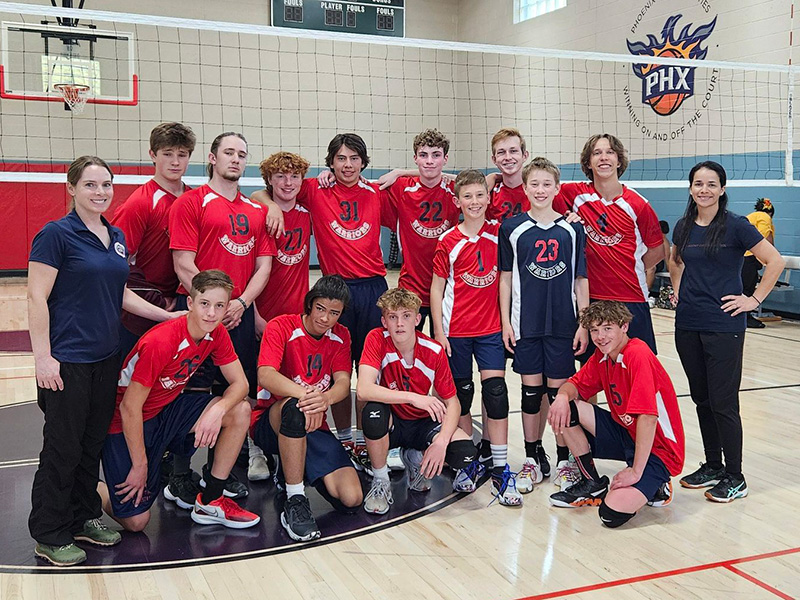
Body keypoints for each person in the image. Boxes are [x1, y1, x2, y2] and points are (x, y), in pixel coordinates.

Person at [28, 156, 178, 566]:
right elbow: (36, 296)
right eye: (91, 185)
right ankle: (49, 532)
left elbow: (120, 292)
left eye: (106, 185)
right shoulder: (56, 235)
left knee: (90, 445)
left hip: (105, 358)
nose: (100, 192)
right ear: (72, 189)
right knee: (62, 448)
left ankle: (82, 516)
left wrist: (166, 316)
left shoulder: (114, 236)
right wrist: (43, 358)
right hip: (67, 361)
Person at [100, 270, 259, 532]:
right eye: (205, 304)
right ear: (190, 303)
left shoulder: (217, 333)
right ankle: (88, 489)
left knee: (239, 410)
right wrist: (140, 465)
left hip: (166, 410)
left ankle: (211, 501)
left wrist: (217, 410)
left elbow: (241, 384)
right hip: (126, 422)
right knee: (136, 522)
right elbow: (129, 408)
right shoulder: (160, 341)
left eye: (219, 306)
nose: (211, 313)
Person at [168, 132, 277, 503]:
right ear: (212, 158)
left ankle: (220, 473)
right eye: (228, 152)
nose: (235, 159)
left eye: (242, 154)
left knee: (232, 395)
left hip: (238, 317)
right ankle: (179, 473)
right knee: (190, 394)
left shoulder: (256, 210)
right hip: (201, 318)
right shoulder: (190, 203)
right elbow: (183, 263)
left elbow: (264, 267)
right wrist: (211, 306)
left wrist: (241, 303)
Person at [669, 161, 785, 502]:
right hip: (688, 322)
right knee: (701, 398)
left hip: (724, 325)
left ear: (722, 189)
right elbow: (676, 261)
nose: (704, 189)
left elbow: (774, 260)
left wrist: (753, 299)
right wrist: (678, 290)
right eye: (698, 183)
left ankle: (736, 476)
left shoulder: (737, 226)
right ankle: (713, 466)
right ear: (691, 188)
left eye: (711, 184)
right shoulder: (684, 226)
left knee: (723, 402)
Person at [548, 301, 685, 528]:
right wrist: (562, 397)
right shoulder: (603, 357)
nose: (601, 336)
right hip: (627, 434)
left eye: (607, 328)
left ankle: (658, 484)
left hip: (660, 449)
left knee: (611, 515)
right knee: (565, 408)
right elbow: (574, 385)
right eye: (594, 330)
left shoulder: (637, 354)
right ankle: (593, 483)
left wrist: (635, 471)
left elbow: (648, 419)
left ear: (624, 327)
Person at [499, 157, 589, 493]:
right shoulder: (511, 228)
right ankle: (532, 458)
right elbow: (505, 279)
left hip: (564, 324)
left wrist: (584, 322)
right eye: (533, 184)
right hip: (526, 324)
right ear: (524, 188)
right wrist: (505, 321)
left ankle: (564, 459)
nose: (540, 190)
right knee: (530, 393)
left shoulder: (572, 229)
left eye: (546, 184)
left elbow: (581, 279)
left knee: (558, 394)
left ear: (557, 188)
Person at [431, 170, 520, 506]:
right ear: (457, 201)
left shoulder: (500, 235)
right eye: (466, 197)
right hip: (455, 331)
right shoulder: (448, 241)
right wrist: (439, 332)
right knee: (463, 396)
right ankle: (469, 463)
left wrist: (506, 323)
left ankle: (500, 467)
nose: (474, 202)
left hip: (490, 331)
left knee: (496, 394)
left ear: (488, 198)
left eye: (479, 195)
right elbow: (437, 287)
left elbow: (504, 283)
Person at [253, 275, 362, 542]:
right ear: (310, 304)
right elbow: (265, 375)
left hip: (314, 423)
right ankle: (295, 498)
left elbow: (343, 381)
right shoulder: (282, 325)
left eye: (334, 313)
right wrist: (308, 396)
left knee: (352, 498)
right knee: (294, 409)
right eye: (321, 309)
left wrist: (324, 400)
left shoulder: (341, 336)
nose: (325, 318)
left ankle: (289, 468)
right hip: (272, 421)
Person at [357, 288, 478, 515]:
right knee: (372, 412)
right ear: (384, 321)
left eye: (406, 316)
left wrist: (441, 442)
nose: (399, 323)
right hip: (392, 422)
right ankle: (381, 481)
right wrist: (414, 398)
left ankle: (415, 457)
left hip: (422, 424)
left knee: (464, 451)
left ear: (417, 319)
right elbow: (363, 389)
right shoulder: (376, 339)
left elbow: (453, 403)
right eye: (393, 317)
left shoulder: (433, 350)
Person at [554, 134, 665, 355]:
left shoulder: (639, 204)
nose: (603, 157)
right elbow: (536, 186)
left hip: (630, 298)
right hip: (591, 299)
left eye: (610, 152)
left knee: (634, 368)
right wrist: (496, 179)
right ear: (588, 162)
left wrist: (631, 266)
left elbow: (659, 250)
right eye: (597, 153)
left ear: (619, 161)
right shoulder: (573, 194)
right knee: (589, 372)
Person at [111, 122, 196, 360]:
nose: (175, 162)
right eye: (167, 154)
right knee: (133, 378)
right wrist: (151, 300)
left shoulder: (195, 199)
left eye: (182, 155)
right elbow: (115, 262)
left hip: (183, 301)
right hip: (144, 308)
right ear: (153, 155)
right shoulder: (141, 202)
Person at [379, 129, 460, 333]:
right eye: (423, 155)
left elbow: (477, 182)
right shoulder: (401, 187)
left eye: (436, 155)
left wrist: (401, 170)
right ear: (415, 158)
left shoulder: (456, 188)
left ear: (445, 158)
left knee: (442, 348)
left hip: (446, 287)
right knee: (406, 347)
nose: (429, 161)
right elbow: (360, 184)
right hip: (410, 286)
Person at [251, 152, 313, 329]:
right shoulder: (257, 214)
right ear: (269, 180)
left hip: (298, 316)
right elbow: (248, 272)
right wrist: (254, 317)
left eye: (294, 176)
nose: (288, 183)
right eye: (280, 176)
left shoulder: (308, 214)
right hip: (263, 315)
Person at [742, 198, 776, 329]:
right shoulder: (765, 217)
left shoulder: (750, 216)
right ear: (771, 213)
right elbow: (763, 238)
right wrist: (770, 258)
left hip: (740, 256)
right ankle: (745, 316)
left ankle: (744, 315)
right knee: (748, 288)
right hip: (749, 256)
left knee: (743, 287)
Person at [487, 128, 531, 222]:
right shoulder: (488, 192)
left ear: (525, 156)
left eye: (513, 151)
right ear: (494, 159)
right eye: (501, 152)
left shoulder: (541, 190)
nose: (508, 157)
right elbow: (462, 183)